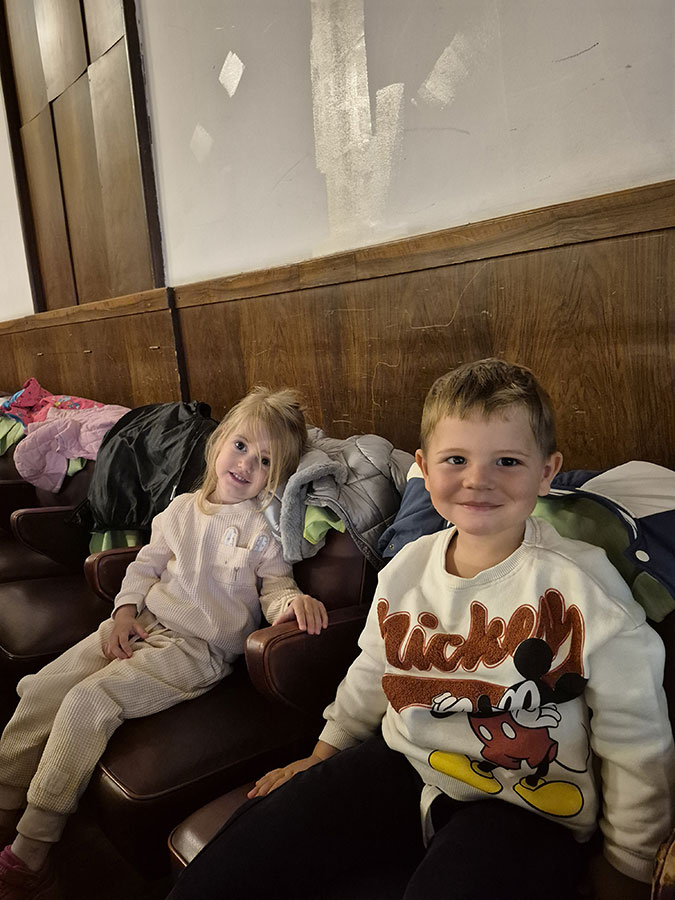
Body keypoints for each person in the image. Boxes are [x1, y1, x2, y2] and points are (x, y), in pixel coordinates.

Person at [168, 359, 675, 900]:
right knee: (249, 848)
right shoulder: (407, 568)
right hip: (403, 765)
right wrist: (322, 755)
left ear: (546, 472)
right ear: (425, 469)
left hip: (525, 807)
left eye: (507, 461)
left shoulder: (586, 587)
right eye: (456, 459)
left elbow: (635, 737)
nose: (478, 479)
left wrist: (629, 864)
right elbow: (372, 670)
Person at [0, 386, 327, 900]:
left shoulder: (264, 530)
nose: (246, 464)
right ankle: (5, 797)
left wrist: (293, 604)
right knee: (42, 688)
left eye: (265, 461)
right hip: (143, 622)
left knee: (87, 701)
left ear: (276, 476)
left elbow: (276, 588)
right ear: (219, 442)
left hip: (196, 650)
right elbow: (144, 567)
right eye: (241, 446)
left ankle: (32, 850)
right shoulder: (178, 510)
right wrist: (122, 612)